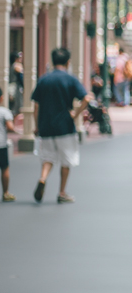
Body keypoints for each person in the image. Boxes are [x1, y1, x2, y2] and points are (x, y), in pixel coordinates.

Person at [31, 48, 90, 203]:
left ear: (52, 61)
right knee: (66, 160)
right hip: (65, 126)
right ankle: (62, 192)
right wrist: (75, 114)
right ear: (68, 62)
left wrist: (37, 126)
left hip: (46, 126)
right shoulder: (70, 79)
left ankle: (43, 178)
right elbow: (86, 98)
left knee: (47, 157)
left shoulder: (43, 80)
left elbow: (36, 106)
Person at [0, 87, 13, 201]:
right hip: (1, 144)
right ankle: (5, 193)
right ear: (1, 98)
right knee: (4, 168)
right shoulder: (4, 111)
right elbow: (10, 127)